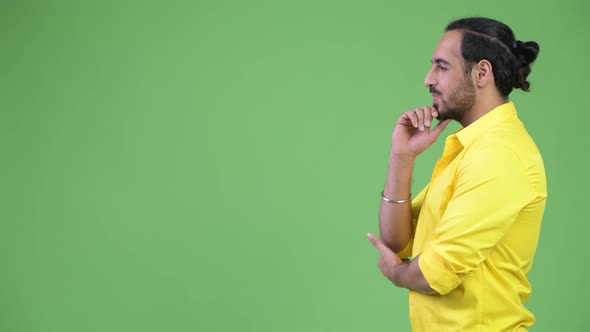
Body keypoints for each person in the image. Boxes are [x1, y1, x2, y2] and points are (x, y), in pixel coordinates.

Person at [367, 17, 547, 331]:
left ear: (481, 73)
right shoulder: (471, 148)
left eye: (442, 67)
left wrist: (397, 274)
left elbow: (435, 273)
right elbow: (398, 242)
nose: (428, 79)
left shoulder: (499, 155)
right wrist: (402, 157)